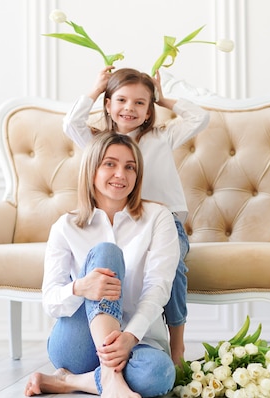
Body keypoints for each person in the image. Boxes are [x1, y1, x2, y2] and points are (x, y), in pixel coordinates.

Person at [63, 66, 210, 364]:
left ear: (149, 110)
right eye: (121, 100)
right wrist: (95, 89)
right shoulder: (100, 144)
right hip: (123, 226)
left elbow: (200, 117)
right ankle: (108, 339)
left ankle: (176, 346)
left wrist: (163, 98)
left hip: (166, 225)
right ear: (108, 104)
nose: (129, 108)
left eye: (140, 102)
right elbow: (70, 124)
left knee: (175, 271)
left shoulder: (160, 137)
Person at [24, 132, 179, 398]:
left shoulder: (158, 217)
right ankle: (108, 375)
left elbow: (159, 287)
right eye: (110, 164)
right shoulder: (65, 226)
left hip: (136, 342)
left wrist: (130, 336)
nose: (121, 173)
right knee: (107, 253)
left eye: (130, 167)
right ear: (92, 168)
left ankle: (69, 382)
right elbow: (50, 301)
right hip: (78, 345)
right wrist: (80, 287)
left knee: (159, 376)